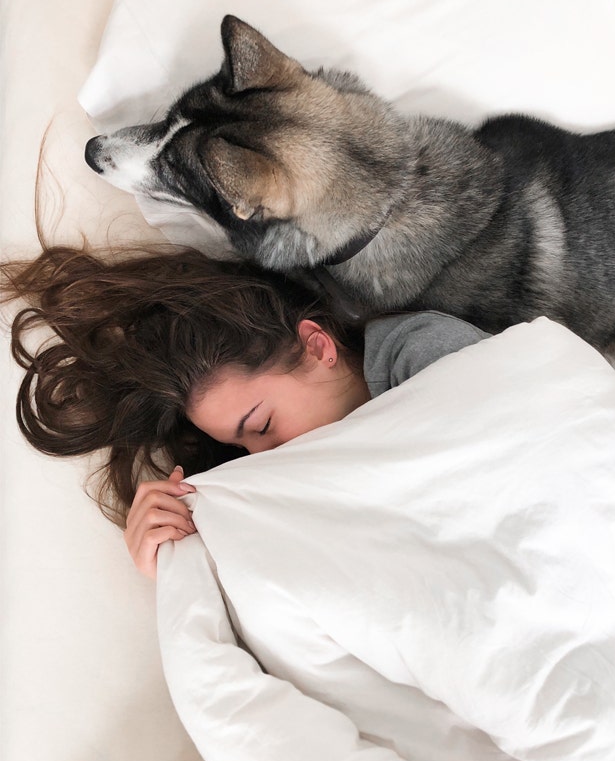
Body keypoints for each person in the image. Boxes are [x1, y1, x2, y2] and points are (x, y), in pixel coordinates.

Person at [3, 245, 488, 578]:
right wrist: (181, 561)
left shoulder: (424, 354)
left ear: (317, 346)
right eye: (243, 446)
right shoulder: (301, 474)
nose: (264, 455)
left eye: (261, 426)